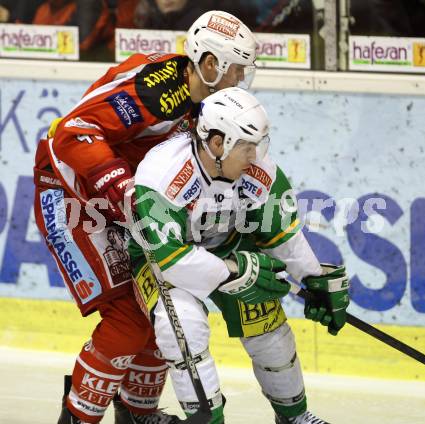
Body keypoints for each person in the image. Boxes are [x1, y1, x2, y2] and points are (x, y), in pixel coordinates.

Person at [33, 10, 257, 424]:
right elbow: (72, 133)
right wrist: (126, 191)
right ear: (210, 65)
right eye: (237, 69)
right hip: (70, 193)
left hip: (121, 206)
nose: (242, 79)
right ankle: (77, 418)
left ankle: (137, 413)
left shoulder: (206, 107)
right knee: (129, 316)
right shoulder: (156, 90)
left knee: (158, 305)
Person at [128, 87, 350, 423]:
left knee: (271, 334)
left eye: (260, 144)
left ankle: (295, 416)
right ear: (217, 143)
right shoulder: (161, 175)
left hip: (227, 243)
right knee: (183, 328)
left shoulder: (258, 171)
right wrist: (235, 271)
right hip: (158, 257)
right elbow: (172, 261)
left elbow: (281, 233)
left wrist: (312, 277)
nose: (255, 156)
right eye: (247, 146)